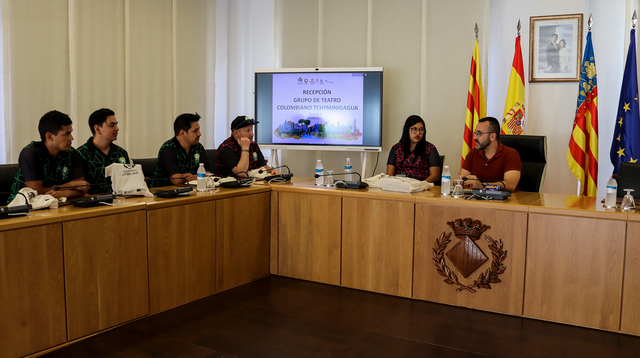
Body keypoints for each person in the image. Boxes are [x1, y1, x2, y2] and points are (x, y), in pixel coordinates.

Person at [7, 110, 88, 203]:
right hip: (23, 207)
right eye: (66, 134)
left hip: (59, 203)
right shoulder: (30, 153)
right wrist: (71, 185)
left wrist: (66, 193)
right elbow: (35, 192)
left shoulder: (72, 153)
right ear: (49, 136)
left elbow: (82, 188)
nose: (71, 138)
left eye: (70, 133)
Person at [456, 116, 521, 192]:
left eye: (479, 134)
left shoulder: (510, 154)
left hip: (505, 201)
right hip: (478, 200)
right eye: (475, 133)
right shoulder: (473, 153)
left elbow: (510, 185)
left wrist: (481, 185)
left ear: (492, 136)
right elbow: (462, 177)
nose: (474, 137)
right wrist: (459, 181)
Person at [77, 108, 130, 195]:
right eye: (112, 125)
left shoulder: (121, 153)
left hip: (122, 202)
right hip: (94, 205)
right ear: (97, 129)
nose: (117, 129)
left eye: (116, 125)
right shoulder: (81, 154)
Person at [151, 113, 212, 187]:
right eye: (195, 131)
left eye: (199, 130)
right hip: (165, 193)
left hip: (193, 190)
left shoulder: (198, 147)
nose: (199, 134)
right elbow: (177, 180)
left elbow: (208, 174)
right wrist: (200, 176)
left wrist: (194, 177)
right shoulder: (168, 148)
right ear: (182, 133)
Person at [215, 115, 281, 178]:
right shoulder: (226, 148)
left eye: (252, 130)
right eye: (248, 131)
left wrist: (272, 170)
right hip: (228, 187)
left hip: (251, 184)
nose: (252, 134)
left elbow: (263, 166)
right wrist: (245, 148)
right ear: (236, 133)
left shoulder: (253, 145)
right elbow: (241, 173)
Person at [386, 115, 441, 182]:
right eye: (414, 129)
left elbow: (435, 176)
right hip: (400, 187)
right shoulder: (396, 148)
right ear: (407, 130)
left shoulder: (430, 148)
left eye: (421, 130)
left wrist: (421, 185)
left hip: (422, 188)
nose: (418, 133)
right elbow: (390, 173)